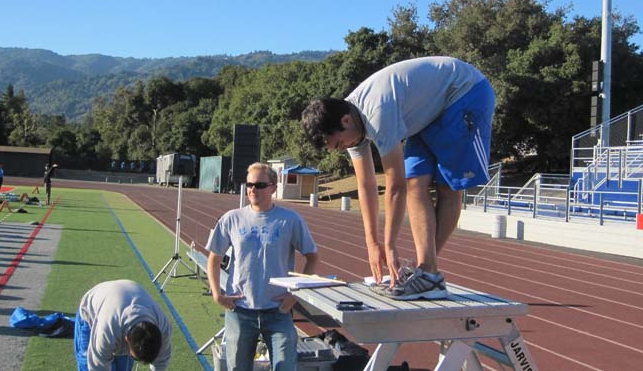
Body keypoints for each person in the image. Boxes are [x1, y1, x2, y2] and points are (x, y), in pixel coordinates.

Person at [301, 56, 496, 300]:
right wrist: (372, 244)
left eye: (340, 143)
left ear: (346, 121)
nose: (343, 148)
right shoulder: (349, 123)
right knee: (417, 182)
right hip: (431, 111)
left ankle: (427, 272)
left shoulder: (377, 114)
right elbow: (366, 185)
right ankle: (424, 271)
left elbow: (394, 186)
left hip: (464, 94)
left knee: (448, 187)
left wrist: (390, 245)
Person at [207, 162, 319, 371]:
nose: (252, 189)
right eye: (249, 184)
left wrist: (295, 294)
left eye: (259, 184)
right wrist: (216, 294)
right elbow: (214, 258)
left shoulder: (290, 219)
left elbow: (312, 257)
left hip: (278, 311)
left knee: (285, 367)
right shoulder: (231, 219)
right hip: (240, 311)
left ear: (273, 187)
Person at [75, 279, 172, 371]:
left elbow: (161, 363)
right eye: (135, 358)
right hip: (92, 311)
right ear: (127, 339)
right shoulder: (106, 330)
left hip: (124, 299)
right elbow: (98, 366)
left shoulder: (163, 328)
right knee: (87, 366)